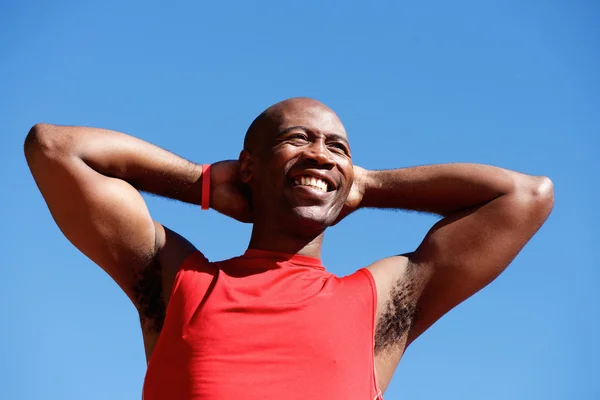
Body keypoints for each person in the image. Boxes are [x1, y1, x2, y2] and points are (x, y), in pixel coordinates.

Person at [24, 97, 554, 399]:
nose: (322, 155)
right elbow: (55, 148)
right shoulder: (178, 281)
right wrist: (202, 183)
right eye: (298, 139)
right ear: (249, 165)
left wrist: (364, 185)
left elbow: (526, 195)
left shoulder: (378, 305)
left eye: (338, 148)